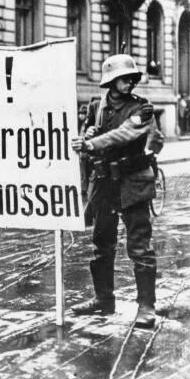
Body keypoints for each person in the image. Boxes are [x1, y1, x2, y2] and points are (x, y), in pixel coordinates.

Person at [70, 54, 159, 329]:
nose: (130, 82)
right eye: (124, 78)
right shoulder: (96, 106)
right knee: (102, 243)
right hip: (105, 183)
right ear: (110, 80)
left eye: (132, 78)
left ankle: (146, 306)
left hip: (132, 182)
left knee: (139, 246)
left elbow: (123, 134)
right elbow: (89, 135)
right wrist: (84, 138)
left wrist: (92, 144)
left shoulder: (142, 108)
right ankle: (103, 299)